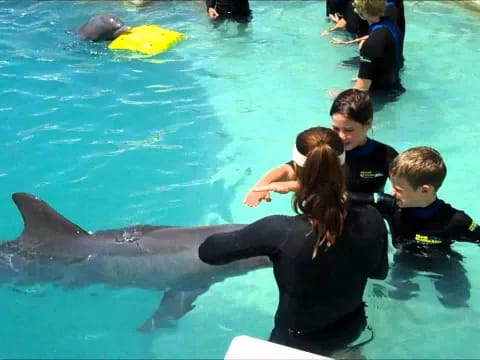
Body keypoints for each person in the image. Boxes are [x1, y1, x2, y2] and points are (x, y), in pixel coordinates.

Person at [199, 127, 388, 356]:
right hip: (350, 328)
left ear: (296, 170)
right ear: (342, 168)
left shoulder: (279, 231)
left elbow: (208, 252)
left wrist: (257, 235)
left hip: (296, 342)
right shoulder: (372, 219)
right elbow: (379, 272)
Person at [351, 147, 480, 307]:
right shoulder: (391, 206)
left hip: (444, 263)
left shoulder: (456, 220)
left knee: (456, 303)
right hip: (404, 261)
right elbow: (350, 198)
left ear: (425, 190)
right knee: (398, 299)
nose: (391, 192)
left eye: (398, 190)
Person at [244, 89, 398, 207]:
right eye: (336, 128)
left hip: (366, 221)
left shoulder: (385, 155)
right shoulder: (328, 147)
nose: (341, 136)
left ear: (368, 124)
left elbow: (409, 186)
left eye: (349, 130)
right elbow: (289, 169)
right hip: (327, 215)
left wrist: (399, 191)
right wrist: (261, 186)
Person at [352, 0, 404, 92]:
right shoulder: (392, 25)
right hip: (395, 89)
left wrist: (337, 94)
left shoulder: (370, 44)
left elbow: (361, 91)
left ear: (362, 13)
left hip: (378, 98)